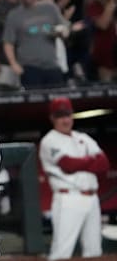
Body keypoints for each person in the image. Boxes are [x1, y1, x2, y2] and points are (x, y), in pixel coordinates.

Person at [39, 97, 109, 260]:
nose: (65, 120)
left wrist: (82, 163)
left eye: (67, 115)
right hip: (68, 198)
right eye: (60, 115)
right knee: (62, 252)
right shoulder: (50, 140)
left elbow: (104, 164)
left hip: (92, 199)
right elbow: (68, 165)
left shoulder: (83, 137)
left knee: (94, 251)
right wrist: (91, 160)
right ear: (52, 118)